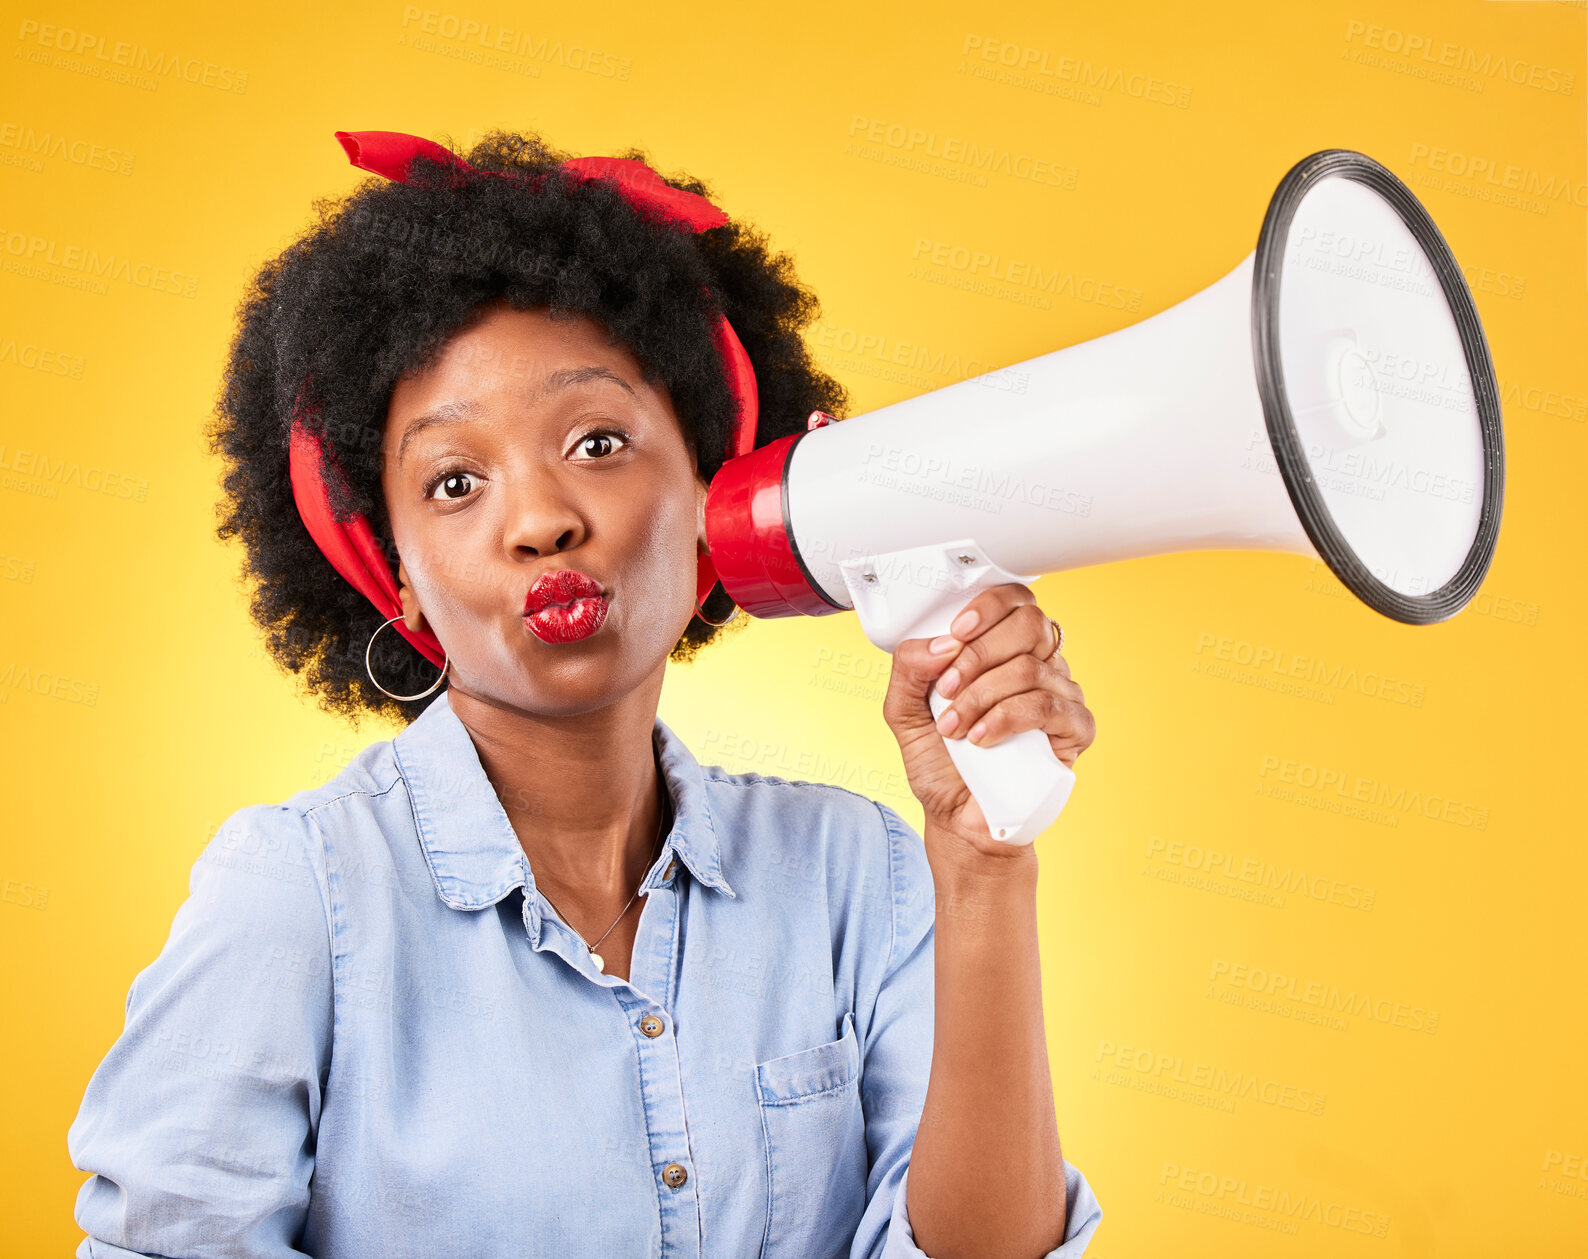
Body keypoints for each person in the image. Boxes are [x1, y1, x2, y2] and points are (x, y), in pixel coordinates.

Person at [67, 128, 1103, 1258]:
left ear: (711, 482)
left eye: (599, 440)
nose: (540, 518)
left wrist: (984, 861)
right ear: (395, 572)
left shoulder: (859, 876)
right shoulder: (299, 897)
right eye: (454, 480)